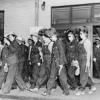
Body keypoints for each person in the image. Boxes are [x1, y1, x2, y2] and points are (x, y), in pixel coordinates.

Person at [42, 28, 69, 96]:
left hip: (60, 63)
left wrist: (61, 64)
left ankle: (66, 91)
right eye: (49, 37)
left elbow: (62, 53)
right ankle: (48, 91)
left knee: (62, 78)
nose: (50, 38)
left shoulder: (59, 42)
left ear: (55, 35)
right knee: (51, 77)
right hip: (54, 62)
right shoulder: (54, 43)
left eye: (51, 37)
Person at [75, 26, 96, 95]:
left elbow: (89, 53)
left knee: (83, 75)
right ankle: (92, 86)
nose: (80, 35)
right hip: (80, 60)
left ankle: (82, 89)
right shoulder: (80, 41)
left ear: (85, 33)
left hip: (85, 59)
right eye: (79, 34)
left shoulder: (87, 41)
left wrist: (88, 62)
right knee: (84, 74)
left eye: (81, 33)